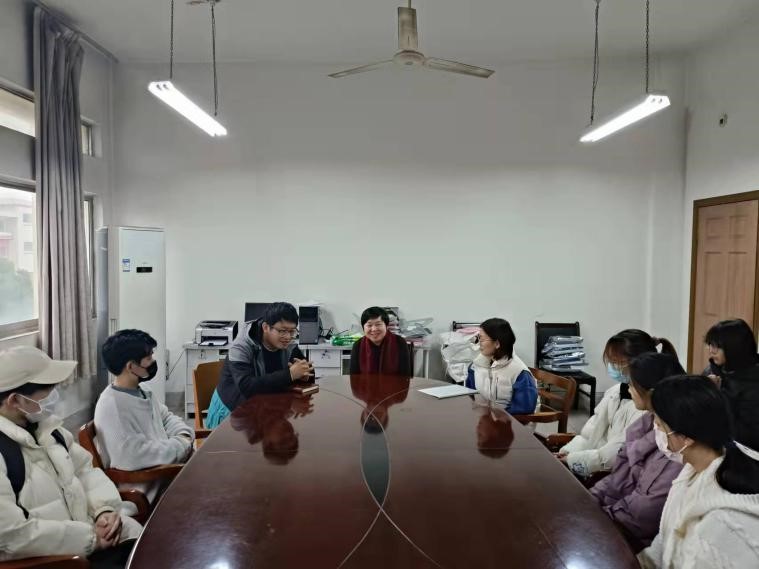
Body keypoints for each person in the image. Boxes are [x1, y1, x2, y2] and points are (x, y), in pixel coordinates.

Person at [0, 346, 142, 567]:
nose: (55, 396)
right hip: (53, 559)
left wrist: (103, 510)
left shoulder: (48, 429)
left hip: (86, 537)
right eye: (47, 391)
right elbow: (11, 535)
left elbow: (85, 471)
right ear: (15, 400)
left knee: (145, 542)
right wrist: (90, 540)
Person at [638, 376, 759, 568]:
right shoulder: (694, 469)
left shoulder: (721, 525)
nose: (656, 431)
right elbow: (665, 540)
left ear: (686, 438)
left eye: (659, 425)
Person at [589, 352, 685, 551]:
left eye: (632, 385)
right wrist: (588, 499)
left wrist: (598, 516)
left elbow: (642, 515)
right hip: (613, 517)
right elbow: (618, 477)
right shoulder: (646, 423)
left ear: (651, 393)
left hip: (628, 537)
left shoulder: (674, 447)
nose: (628, 389)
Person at [559, 329, 677, 478]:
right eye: (611, 361)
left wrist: (572, 460)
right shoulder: (616, 391)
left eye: (616, 362)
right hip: (593, 461)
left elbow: (617, 453)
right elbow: (590, 432)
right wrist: (567, 453)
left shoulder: (646, 407)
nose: (612, 367)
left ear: (639, 363)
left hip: (611, 472)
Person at [95, 330, 194, 502]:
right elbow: (134, 456)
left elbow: (167, 418)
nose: (153, 361)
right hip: (146, 491)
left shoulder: (142, 391)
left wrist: (183, 435)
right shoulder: (112, 407)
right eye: (148, 358)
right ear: (131, 366)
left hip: (167, 475)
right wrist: (181, 445)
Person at [206, 302, 313, 428]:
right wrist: (289, 374)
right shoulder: (241, 346)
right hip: (233, 410)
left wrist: (304, 375)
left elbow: (305, 367)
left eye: (292, 331)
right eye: (282, 331)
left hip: (266, 408)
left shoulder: (288, 343)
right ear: (266, 327)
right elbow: (247, 387)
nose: (288, 337)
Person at [704, 318, 759, 450]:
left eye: (717, 346)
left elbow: (746, 436)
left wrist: (717, 394)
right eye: (710, 344)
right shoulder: (713, 369)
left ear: (735, 348)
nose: (711, 351)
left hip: (743, 452)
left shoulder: (754, 384)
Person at [465, 318, 538, 414]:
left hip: (508, 421)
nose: (479, 344)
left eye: (482, 339)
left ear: (497, 344)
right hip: (482, 417)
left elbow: (524, 409)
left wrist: (494, 418)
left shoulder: (519, 373)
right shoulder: (475, 366)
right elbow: (469, 396)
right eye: (478, 338)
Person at [349, 307, 411, 375]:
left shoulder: (400, 342)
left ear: (386, 326)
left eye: (378, 324)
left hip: (393, 382)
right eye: (369, 325)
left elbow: (405, 376)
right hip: (365, 382)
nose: (374, 329)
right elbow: (354, 377)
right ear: (363, 327)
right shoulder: (358, 345)